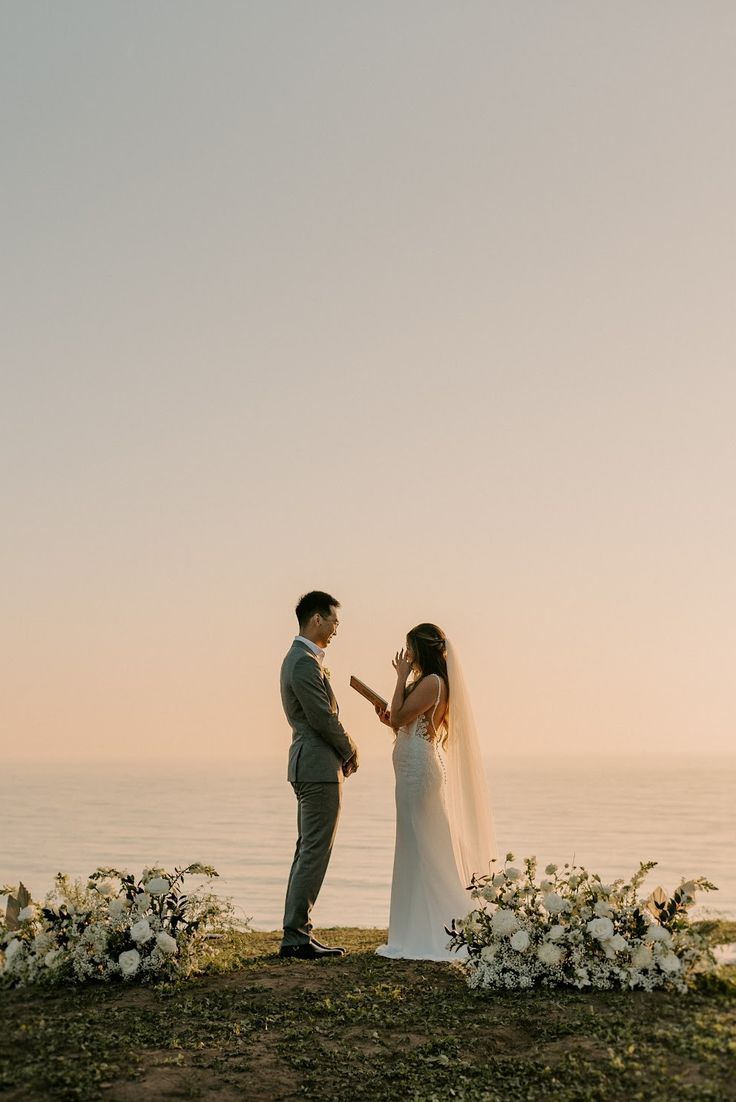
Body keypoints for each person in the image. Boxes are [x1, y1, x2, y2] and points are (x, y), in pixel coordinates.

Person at [374, 623, 495, 960]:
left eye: (409, 647)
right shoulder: (431, 682)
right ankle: (415, 926)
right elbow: (403, 721)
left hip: (418, 773)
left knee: (428, 846)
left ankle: (450, 921)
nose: (406, 654)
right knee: (415, 845)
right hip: (411, 770)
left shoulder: (432, 682)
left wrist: (399, 678)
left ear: (421, 649)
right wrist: (389, 717)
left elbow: (400, 717)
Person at [279, 591, 359, 959]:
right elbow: (322, 718)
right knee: (314, 851)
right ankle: (296, 936)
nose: (337, 628)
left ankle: (297, 931)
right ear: (316, 619)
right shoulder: (303, 663)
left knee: (308, 850)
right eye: (334, 621)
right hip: (317, 767)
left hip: (310, 765)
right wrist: (349, 749)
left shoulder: (303, 660)